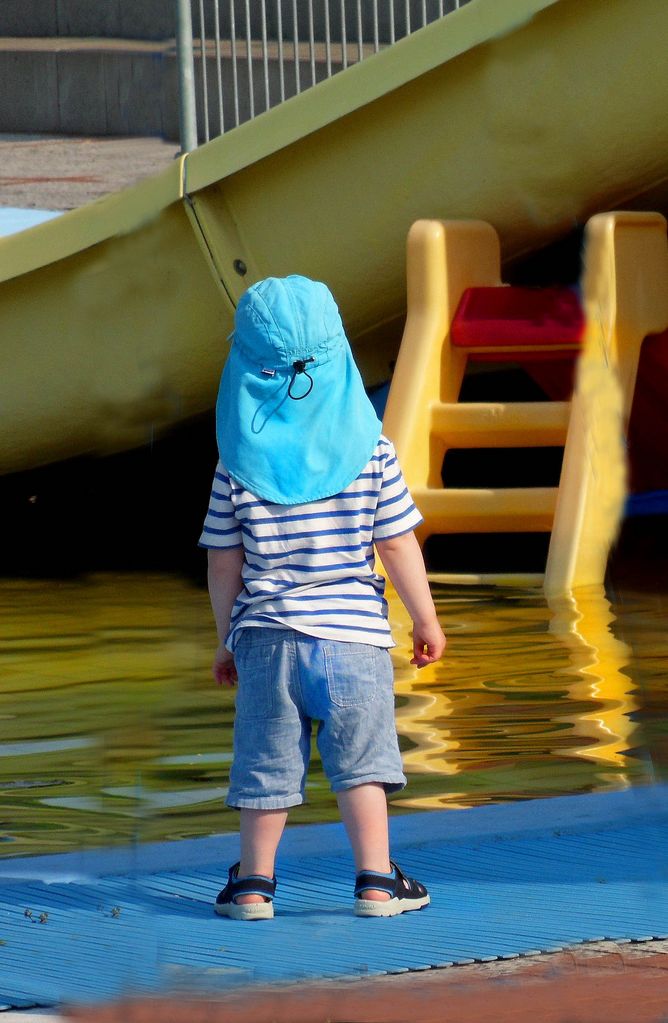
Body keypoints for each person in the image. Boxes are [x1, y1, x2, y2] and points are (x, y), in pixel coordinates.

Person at [200, 275, 446, 919]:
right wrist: (426, 618)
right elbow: (396, 545)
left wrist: (226, 636)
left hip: (266, 640)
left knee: (266, 768)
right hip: (354, 639)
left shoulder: (236, 462)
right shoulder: (372, 453)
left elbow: (225, 559)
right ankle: (376, 882)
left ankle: (253, 885)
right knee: (362, 766)